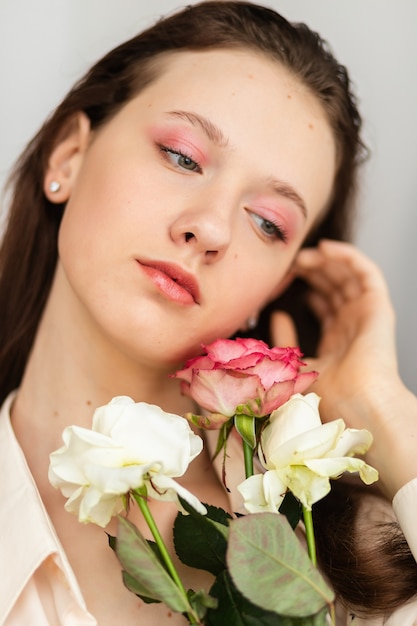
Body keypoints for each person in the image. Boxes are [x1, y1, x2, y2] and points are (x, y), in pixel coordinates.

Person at [0, 1, 416, 624]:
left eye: (268, 223)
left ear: (277, 285)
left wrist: (388, 412)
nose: (213, 228)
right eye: (182, 157)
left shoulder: (360, 560)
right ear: (67, 158)